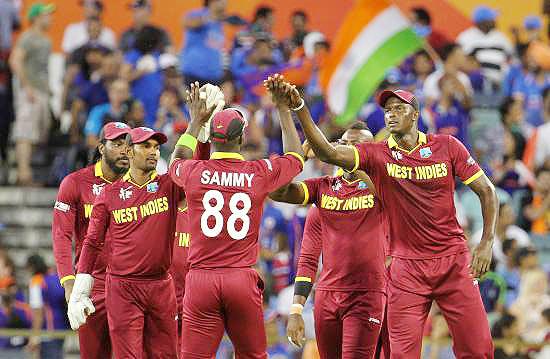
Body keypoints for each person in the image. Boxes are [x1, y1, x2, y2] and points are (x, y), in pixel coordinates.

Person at [282, 78, 499, 358]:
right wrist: (299, 107)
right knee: (400, 355)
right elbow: (329, 152)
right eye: (388, 110)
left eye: (399, 108)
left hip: (453, 260)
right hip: (406, 269)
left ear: (416, 114)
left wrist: (486, 242)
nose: (391, 113)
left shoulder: (447, 146)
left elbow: (487, 191)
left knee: (479, 349)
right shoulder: (377, 154)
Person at [169, 75, 305, 358]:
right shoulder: (258, 173)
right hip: (240, 278)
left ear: (213, 137)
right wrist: (282, 108)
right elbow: (295, 156)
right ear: (242, 138)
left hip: (201, 280)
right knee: (253, 356)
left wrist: (195, 121)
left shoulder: (195, 173)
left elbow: (177, 160)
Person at [270, 121, 388, 358]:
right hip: (326, 297)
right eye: (344, 145)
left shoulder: (384, 189)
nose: (348, 150)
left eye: (357, 146)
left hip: (367, 294)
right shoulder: (322, 192)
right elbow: (308, 257)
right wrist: (300, 156)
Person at [70, 126, 182, 358]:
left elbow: (194, 169)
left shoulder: (167, 185)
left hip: (161, 285)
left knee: (166, 356)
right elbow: (92, 242)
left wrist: (199, 131)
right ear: (129, 152)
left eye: (156, 147)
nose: (153, 152)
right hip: (123, 287)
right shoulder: (109, 195)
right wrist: (80, 290)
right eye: (145, 146)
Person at [52, 122, 131, 359]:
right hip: (91, 284)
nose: (124, 150)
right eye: (116, 144)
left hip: (130, 283)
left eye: (128, 145)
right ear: (101, 148)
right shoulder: (75, 183)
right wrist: (68, 283)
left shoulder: (139, 185)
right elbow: (61, 235)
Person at [9, 2, 54, 185]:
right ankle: (23, 175)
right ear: (35, 17)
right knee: (25, 132)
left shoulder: (46, 40)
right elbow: (15, 61)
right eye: (46, 15)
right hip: (30, 92)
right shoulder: (28, 38)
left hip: (41, 92)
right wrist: (26, 87)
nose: (50, 18)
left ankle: (24, 170)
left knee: (39, 133)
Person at [457, 5, 514, 87]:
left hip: (500, 83)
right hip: (476, 85)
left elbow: (511, 58)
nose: (495, 21)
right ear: (482, 22)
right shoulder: (466, 37)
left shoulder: (501, 37)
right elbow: (460, 61)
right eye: (491, 19)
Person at [27, 254, 69, 359]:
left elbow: (38, 313)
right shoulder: (55, 276)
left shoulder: (36, 281)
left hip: (47, 330)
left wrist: (34, 336)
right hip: (62, 327)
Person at [180, 0, 227, 85]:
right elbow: (185, 23)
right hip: (193, 75)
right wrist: (209, 17)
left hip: (214, 77)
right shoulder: (198, 14)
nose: (225, 2)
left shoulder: (220, 23)